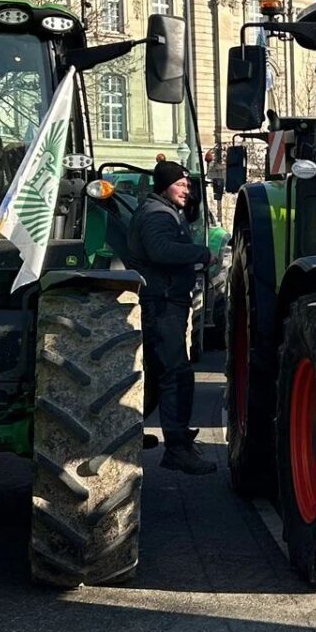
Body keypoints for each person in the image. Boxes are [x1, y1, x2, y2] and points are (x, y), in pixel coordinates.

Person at [127, 160, 217, 475]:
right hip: (162, 303)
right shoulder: (156, 215)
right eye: (182, 185)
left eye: (189, 186)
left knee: (157, 373)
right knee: (175, 374)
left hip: (166, 301)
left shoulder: (163, 212)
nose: (187, 190)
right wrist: (200, 254)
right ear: (166, 186)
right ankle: (177, 449)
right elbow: (160, 251)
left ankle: (128, 431)